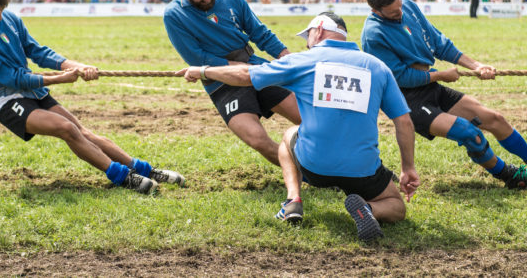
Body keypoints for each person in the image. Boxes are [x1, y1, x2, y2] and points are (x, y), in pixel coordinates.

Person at [177, 13, 419, 241]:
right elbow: (404, 121)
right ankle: (367, 209)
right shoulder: (377, 66)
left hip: (315, 166)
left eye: (308, 36)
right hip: (362, 169)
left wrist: (203, 70)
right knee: (396, 207)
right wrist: (408, 168)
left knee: (290, 134)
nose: (306, 44)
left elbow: (245, 75)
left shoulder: (304, 60)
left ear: (320, 30)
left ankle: (293, 200)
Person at [0, 0, 184, 194]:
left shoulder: (9, 18)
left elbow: (36, 51)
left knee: (83, 132)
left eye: (1, 10)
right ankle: (123, 177)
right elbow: (13, 78)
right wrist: (59, 78)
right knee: (66, 128)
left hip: (33, 91)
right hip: (6, 99)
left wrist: (76, 65)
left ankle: (147, 170)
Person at [361, 0, 527, 189]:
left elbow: (438, 43)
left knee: (495, 119)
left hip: (430, 86)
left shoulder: (407, 5)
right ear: (376, 10)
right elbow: (400, 77)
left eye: (399, 6)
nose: (400, 13)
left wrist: (476, 66)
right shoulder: (373, 34)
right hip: (407, 100)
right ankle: (511, 176)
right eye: (393, 13)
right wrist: (440, 75)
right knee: (470, 133)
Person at [163, 0, 301, 166]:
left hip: (255, 67)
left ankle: (329, 165)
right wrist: (231, 65)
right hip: (219, 82)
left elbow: (260, 33)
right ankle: (306, 173)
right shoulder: (174, 15)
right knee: (257, 139)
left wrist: (287, 58)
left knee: (305, 117)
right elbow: (197, 58)